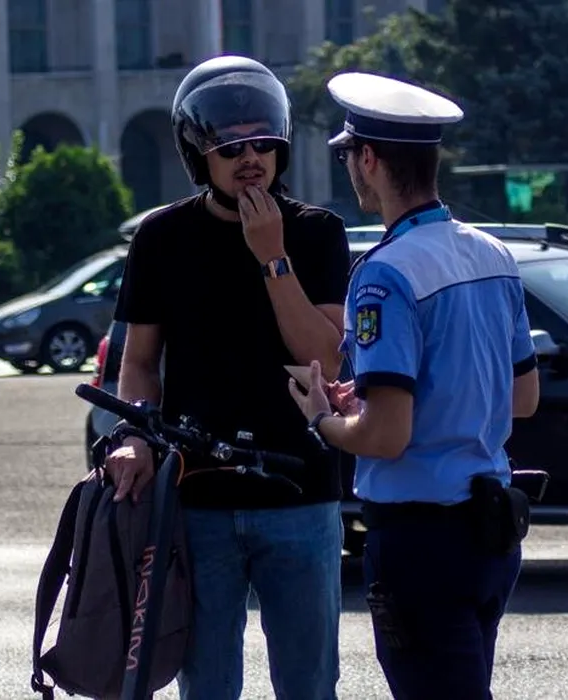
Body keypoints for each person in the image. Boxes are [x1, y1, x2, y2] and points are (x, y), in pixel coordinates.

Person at [287, 72, 542, 700]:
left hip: (421, 541)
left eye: (349, 156)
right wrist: (376, 399)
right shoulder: (492, 254)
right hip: (492, 532)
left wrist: (323, 418)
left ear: (369, 160)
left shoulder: (383, 274)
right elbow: (523, 398)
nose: (351, 169)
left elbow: (386, 437)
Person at [105, 56, 351, 700]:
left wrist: (272, 256)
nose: (251, 159)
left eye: (263, 144)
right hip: (197, 499)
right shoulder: (161, 236)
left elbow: (325, 360)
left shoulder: (317, 232)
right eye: (231, 147)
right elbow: (139, 362)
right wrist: (134, 437)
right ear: (198, 155)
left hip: (301, 493)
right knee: (207, 687)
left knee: (309, 686)